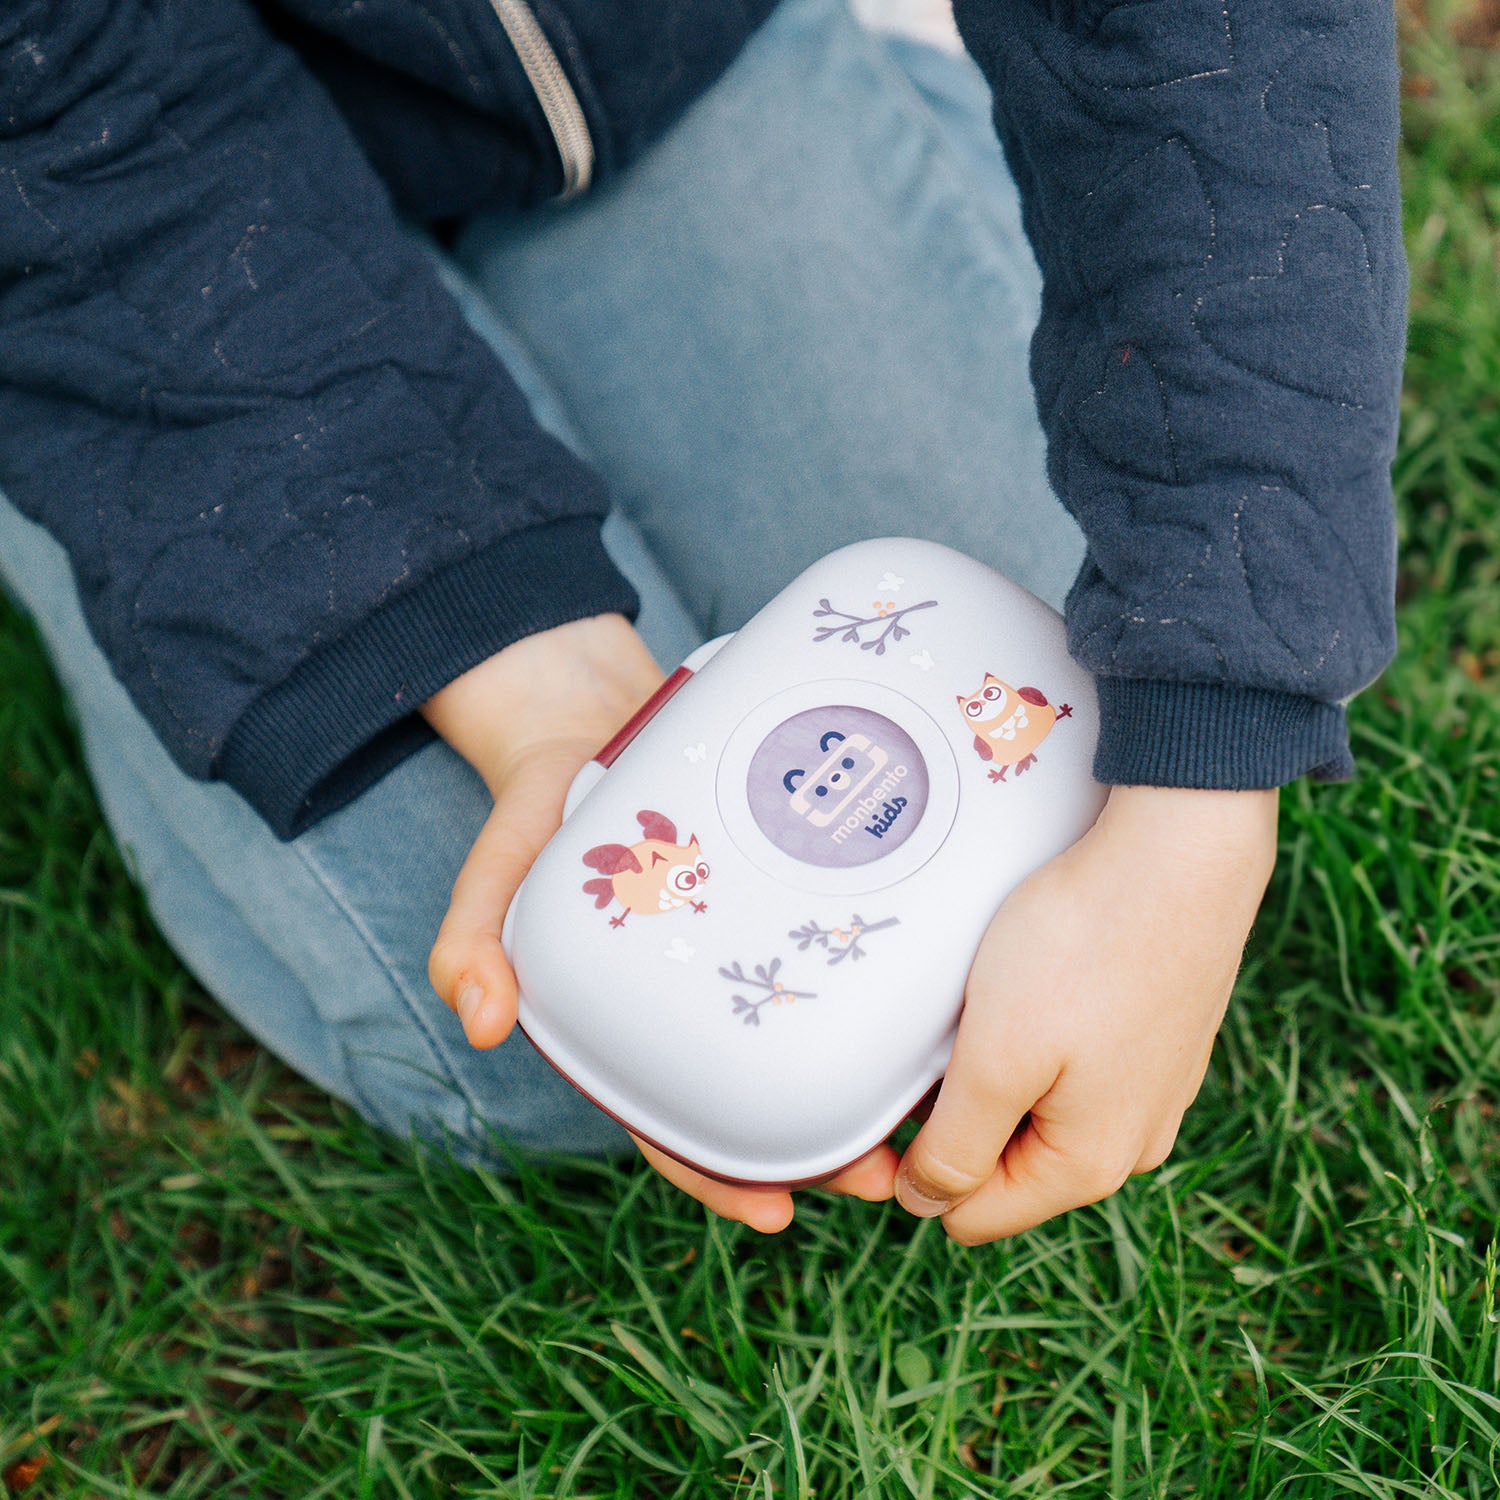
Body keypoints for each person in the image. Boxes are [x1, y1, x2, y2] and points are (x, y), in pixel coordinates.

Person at [0, 0, 1405, 1242]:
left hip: (630, 62)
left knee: (1050, 677)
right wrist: (511, 670)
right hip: (97, 168)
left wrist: (1212, 753)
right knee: (510, 1047)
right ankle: (66, 440)